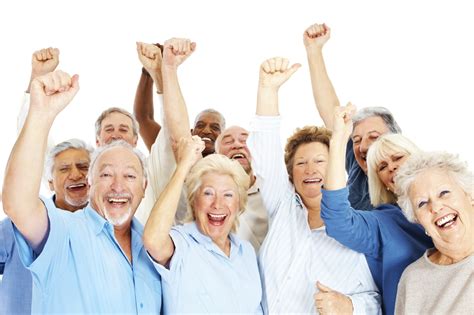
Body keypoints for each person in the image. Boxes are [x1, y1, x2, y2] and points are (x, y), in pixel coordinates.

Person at [1, 70, 161, 313]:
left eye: (129, 176)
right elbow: (18, 203)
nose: (118, 185)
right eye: (106, 175)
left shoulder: (154, 248)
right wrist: (40, 114)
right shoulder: (64, 231)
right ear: (90, 182)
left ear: (143, 187)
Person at [249, 57, 381, 314]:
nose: (310, 169)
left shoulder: (357, 231)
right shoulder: (282, 208)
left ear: (334, 167)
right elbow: (265, 153)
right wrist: (267, 90)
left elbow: (376, 300)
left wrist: (350, 305)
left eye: (320, 161)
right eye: (301, 163)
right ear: (290, 176)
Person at [135, 39, 268, 251]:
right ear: (218, 153)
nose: (237, 144)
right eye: (228, 140)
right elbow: (176, 136)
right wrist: (167, 70)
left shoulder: (273, 189)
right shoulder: (201, 179)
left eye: (244, 140)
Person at [320, 104, 433, 314]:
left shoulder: (451, 199)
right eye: (381, 167)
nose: (391, 166)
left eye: (398, 158)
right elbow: (339, 221)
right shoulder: (384, 222)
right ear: (382, 182)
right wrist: (336, 143)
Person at [143, 136, 262, 314]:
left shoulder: (246, 251)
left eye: (228, 195)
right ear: (194, 201)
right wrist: (183, 167)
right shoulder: (181, 244)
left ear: (239, 204)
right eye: (208, 193)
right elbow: (153, 240)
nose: (217, 204)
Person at [304, 22, 401, 210]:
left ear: (396, 141)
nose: (363, 146)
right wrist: (313, 50)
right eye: (356, 140)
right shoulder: (359, 166)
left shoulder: (416, 175)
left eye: (374, 137)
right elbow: (331, 112)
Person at [0, 137, 92, 315]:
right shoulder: (17, 226)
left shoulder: (108, 230)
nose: (75, 174)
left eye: (83, 167)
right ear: (50, 182)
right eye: (64, 169)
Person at [394, 152, 474, 314]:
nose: (436, 207)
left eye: (444, 193)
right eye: (422, 203)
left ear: (470, 195)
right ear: (417, 219)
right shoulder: (413, 279)